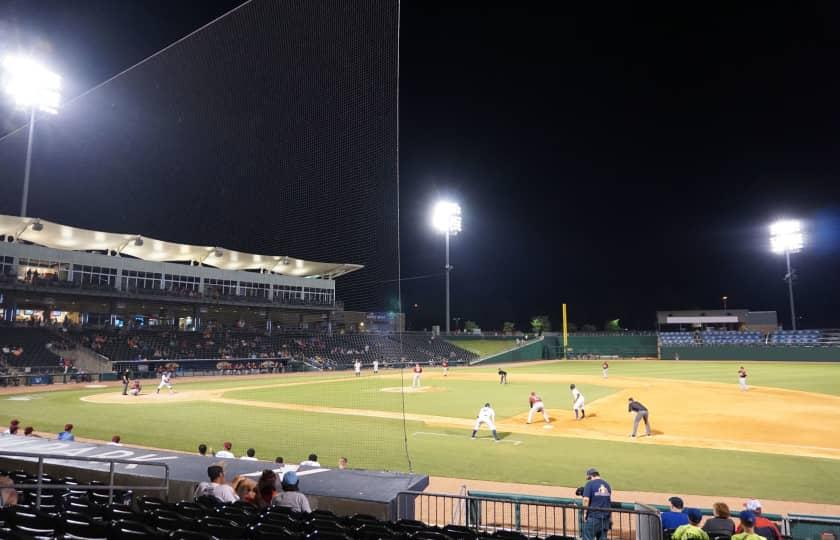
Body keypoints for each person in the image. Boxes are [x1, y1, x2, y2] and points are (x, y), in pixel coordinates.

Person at [582, 468, 612, 540]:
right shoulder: (607, 485)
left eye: (589, 478)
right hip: (605, 519)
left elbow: (586, 500)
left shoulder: (589, 484)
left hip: (594, 517)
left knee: (587, 537)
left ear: (591, 476)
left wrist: (585, 513)